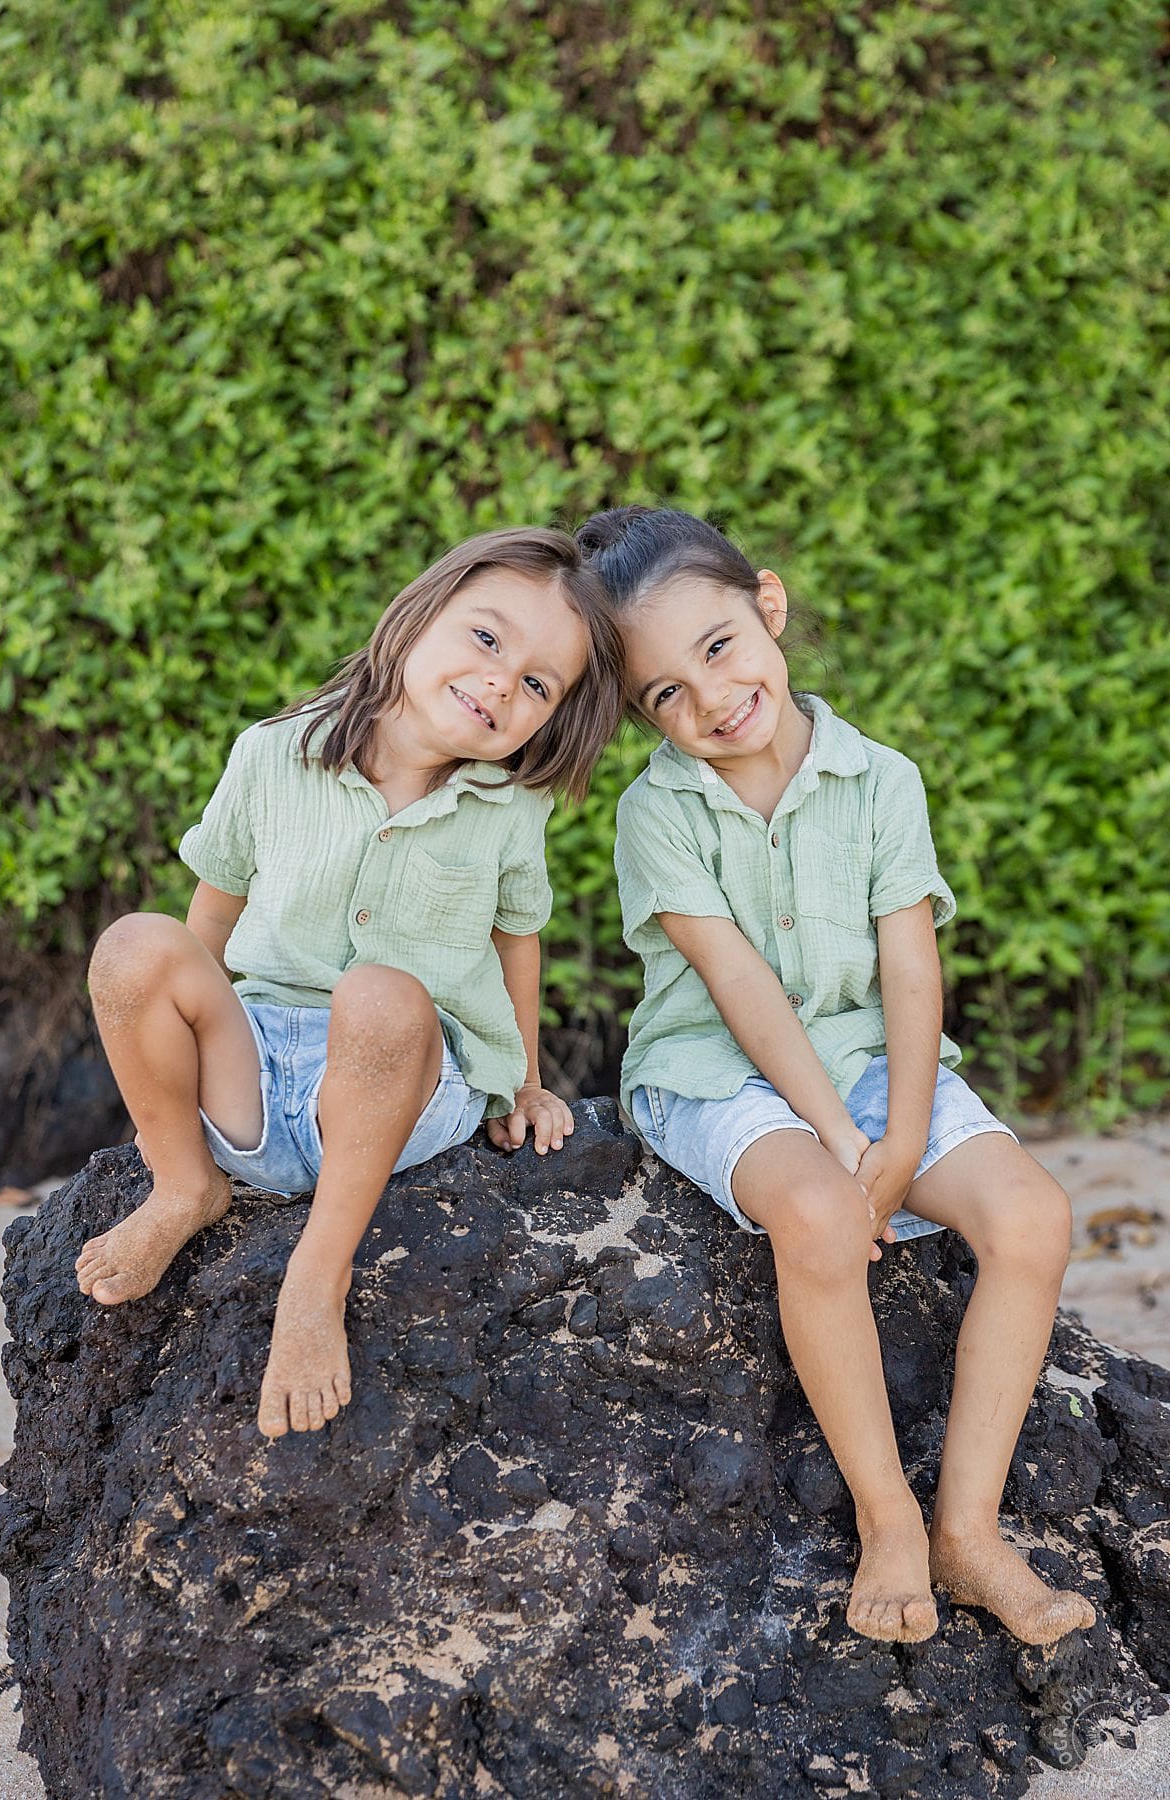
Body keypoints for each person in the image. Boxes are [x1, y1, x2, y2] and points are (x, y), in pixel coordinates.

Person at [577, 504, 1095, 1649]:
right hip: (715, 1070)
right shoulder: (656, 813)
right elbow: (740, 991)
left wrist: (902, 1133)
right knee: (816, 1214)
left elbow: (911, 966)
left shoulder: (879, 779)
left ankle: (969, 1529)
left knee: (1034, 1216)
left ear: (767, 606)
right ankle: (889, 1519)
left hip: (870, 1062)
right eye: (664, 692)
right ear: (635, 713)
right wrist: (841, 1146)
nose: (708, 699)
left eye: (717, 649)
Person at [76, 527, 624, 1440]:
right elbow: (207, 922)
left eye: (537, 684)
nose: (500, 682)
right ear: (417, 620)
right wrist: (184, 1071)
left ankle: (314, 1280)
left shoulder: (508, 808)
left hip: (400, 1092)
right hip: (255, 1080)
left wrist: (523, 1078)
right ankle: (183, 1187)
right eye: (487, 640)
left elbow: (514, 938)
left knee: (381, 993)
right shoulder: (271, 753)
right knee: (136, 945)